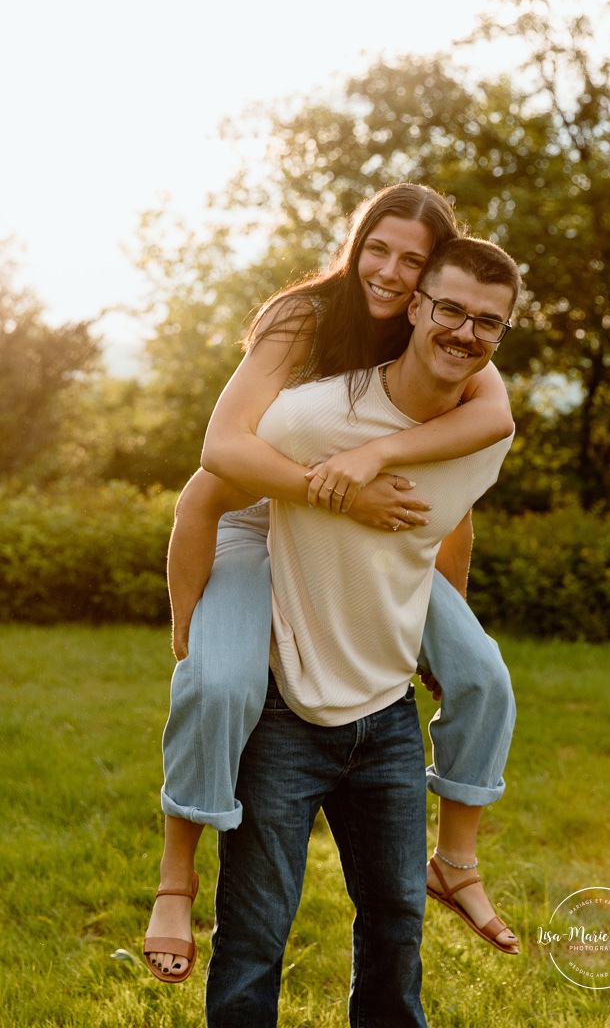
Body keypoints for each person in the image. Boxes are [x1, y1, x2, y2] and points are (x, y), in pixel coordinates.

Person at [144, 184, 517, 982]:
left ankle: (456, 863)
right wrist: (336, 488)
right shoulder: (304, 319)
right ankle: (175, 882)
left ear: (430, 280)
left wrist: (439, 621)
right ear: (355, 246)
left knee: (482, 672)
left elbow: (470, 464)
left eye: (411, 260)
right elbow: (220, 453)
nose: (387, 271)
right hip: (256, 519)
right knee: (218, 683)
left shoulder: (446, 344)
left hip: (361, 533)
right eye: (376, 248)